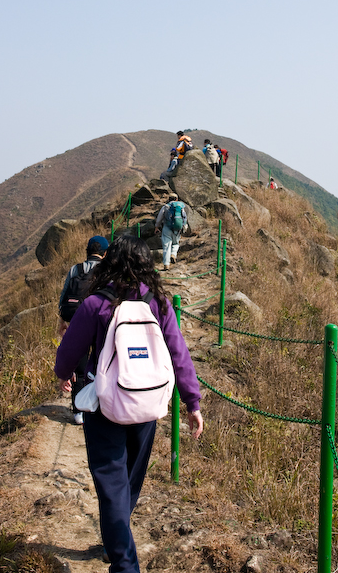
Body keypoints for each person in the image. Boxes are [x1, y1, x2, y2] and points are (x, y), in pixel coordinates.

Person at [54, 236, 203, 573]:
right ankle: (117, 540)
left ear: (110, 263)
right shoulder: (158, 303)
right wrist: (192, 402)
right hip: (145, 405)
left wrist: (63, 375)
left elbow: (69, 351)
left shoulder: (96, 304)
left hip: (105, 407)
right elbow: (179, 353)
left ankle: (123, 562)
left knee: (112, 487)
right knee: (129, 483)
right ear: (147, 265)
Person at [58, 234, 110, 424]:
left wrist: (63, 320)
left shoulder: (75, 269)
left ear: (87, 252)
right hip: (99, 321)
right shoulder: (108, 270)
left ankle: (78, 410)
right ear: (105, 253)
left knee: (79, 367)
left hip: (76, 321)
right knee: (100, 363)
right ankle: (100, 406)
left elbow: (64, 297)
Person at [155, 193, 187, 270]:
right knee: (176, 243)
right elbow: (184, 217)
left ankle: (166, 264)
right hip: (177, 228)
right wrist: (184, 227)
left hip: (167, 228)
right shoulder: (180, 207)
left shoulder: (166, 207)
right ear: (176, 199)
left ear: (169, 199)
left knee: (166, 246)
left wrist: (156, 227)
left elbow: (159, 218)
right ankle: (173, 254)